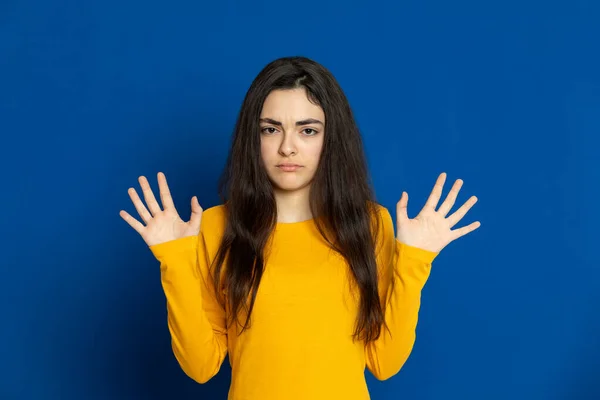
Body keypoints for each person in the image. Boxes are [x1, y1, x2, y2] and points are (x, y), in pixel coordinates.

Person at [119, 56, 480, 399]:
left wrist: (414, 261)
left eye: (307, 130)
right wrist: (175, 261)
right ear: (253, 137)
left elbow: (385, 363)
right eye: (271, 129)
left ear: (330, 139)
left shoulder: (369, 225)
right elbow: (200, 367)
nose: (287, 147)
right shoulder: (215, 227)